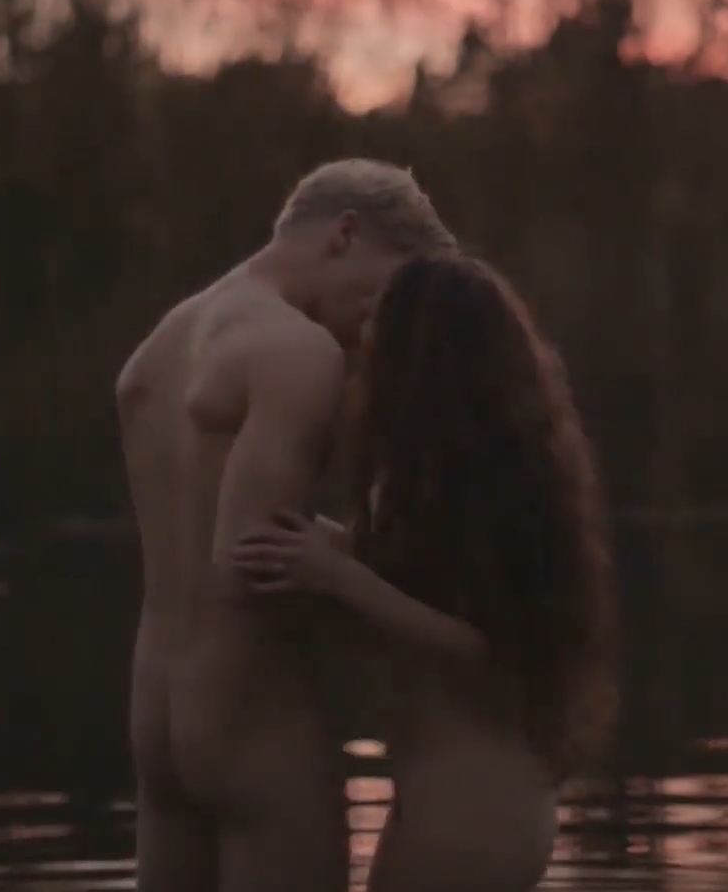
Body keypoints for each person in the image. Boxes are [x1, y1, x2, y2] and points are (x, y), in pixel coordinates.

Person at [114, 159, 456, 892]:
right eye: (386, 290)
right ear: (345, 234)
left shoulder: (159, 346)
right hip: (252, 711)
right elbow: (249, 561)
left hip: (156, 712)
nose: (378, 323)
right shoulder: (301, 352)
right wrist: (386, 582)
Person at [232, 252, 620, 892]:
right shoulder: (446, 479)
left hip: (475, 806)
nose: (363, 357)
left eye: (379, 340)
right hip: (462, 799)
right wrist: (320, 547)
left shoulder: (494, 488)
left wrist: (337, 575)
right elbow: (420, 591)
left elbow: (493, 650)